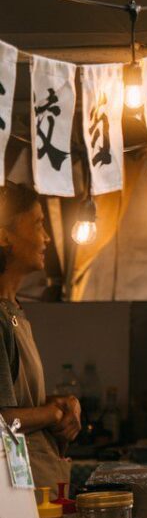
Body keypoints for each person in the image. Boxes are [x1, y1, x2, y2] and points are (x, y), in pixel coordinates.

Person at [0, 186, 76, 490]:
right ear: (5, 237)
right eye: (38, 224)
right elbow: (4, 422)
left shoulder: (14, 311)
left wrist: (61, 404)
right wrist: (52, 414)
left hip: (29, 476)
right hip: (12, 480)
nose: (46, 237)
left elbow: (17, 406)